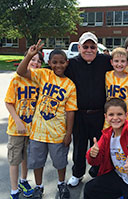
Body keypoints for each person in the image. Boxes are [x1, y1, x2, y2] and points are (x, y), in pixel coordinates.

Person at [16, 40, 78, 199]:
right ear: (49, 63)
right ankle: (39, 186)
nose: (58, 65)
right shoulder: (43, 74)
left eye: (61, 62)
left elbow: (70, 111)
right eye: (54, 62)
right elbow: (21, 71)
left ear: (67, 63)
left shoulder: (70, 85)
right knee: (37, 162)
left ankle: (61, 183)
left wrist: (68, 133)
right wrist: (30, 55)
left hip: (57, 132)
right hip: (38, 131)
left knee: (60, 162)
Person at [64, 32, 113, 187]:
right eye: (85, 46)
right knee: (79, 147)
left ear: (97, 48)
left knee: (98, 145)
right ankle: (77, 173)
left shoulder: (105, 61)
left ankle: (97, 172)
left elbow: (124, 63)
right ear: (79, 47)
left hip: (99, 114)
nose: (89, 50)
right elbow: (53, 73)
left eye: (92, 47)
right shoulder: (71, 63)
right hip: (79, 114)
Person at [5, 51, 43, 199]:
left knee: (25, 156)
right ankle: (14, 190)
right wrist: (18, 122)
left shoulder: (38, 80)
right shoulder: (17, 79)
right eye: (33, 59)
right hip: (17, 129)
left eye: (39, 61)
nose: (36, 63)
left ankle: (23, 181)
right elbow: (9, 102)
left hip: (31, 129)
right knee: (14, 159)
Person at [104, 47, 128, 128]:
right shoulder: (107, 75)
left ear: (127, 63)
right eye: (116, 61)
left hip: (125, 117)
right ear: (111, 62)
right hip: (110, 116)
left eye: (122, 61)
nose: (119, 64)